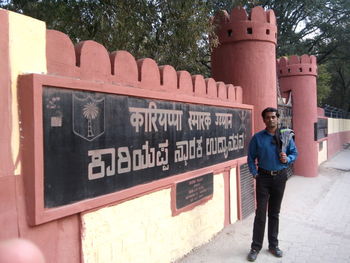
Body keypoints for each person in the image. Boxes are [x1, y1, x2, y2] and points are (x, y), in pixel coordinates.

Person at [246, 107, 298, 262]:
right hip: (263, 177)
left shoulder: (285, 136)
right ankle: (255, 247)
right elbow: (250, 158)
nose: (271, 120)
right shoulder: (257, 138)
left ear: (278, 118)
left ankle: (273, 245)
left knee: (274, 213)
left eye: (273, 117)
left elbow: (294, 153)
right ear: (264, 120)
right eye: (267, 117)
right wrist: (255, 173)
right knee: (260, 214)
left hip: (280, 177)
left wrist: (287, 159)